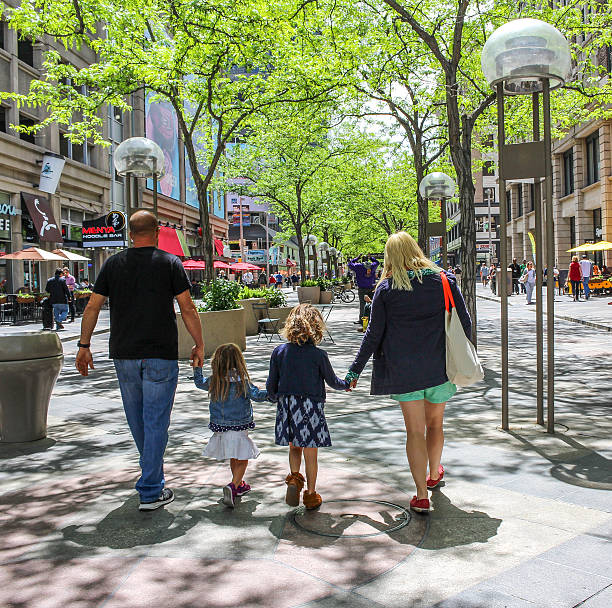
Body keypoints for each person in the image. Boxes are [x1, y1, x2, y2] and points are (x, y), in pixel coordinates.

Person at [75, 210, 204, 511]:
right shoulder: (170, 263)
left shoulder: (113, 264)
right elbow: (187, 308)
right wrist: (199, 344)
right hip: (160, 353)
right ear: (157, 231)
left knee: (139, 422)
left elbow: (92, 307)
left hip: (124, 354)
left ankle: (152, 481)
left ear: (130, 234)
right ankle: (149, 489)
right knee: (156, 422)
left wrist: (84, 345)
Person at [345, 232, 471, 513]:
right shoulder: (444, 281)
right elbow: (465, 324)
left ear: (390, 257)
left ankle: (421, 495)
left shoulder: (387, 289)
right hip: (440, 368)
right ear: (416, 250)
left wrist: (355, 371)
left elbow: (373, 334)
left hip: (403, 371)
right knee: (435, 425)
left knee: (415, 431)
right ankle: (434, 474)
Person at [267, 304, 350, 510]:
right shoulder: (319, 355)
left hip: (287, 405)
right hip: (311, 406)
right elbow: (332, 381)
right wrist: (347, 384)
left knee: (294, 446)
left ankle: (294, 478)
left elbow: (271, 385)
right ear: (316, 327)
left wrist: (272, 397)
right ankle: (311, 495)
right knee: (310, 453)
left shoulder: (279, 352)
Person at [193, 343, 268, 508]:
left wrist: (197, 365)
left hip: (220, 427)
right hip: (240, 427)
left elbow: (198, 382)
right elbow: (258, 396)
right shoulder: (243, 382)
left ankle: (239, 484)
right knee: (242, 459)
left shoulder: (214, 381)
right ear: (239, 362)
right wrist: (274, 391)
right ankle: (233, 486)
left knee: (234, 456)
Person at [348, 255, 379, 325]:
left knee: (362, 304)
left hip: (362, 288)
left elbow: (349, 264)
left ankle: (362, 320)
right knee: (372, 303)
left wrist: (356, 258)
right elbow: (377, 262)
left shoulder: (358, 266)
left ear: (361, 260)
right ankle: (372, 318)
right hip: (371, 288)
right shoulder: (372, 266)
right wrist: (371, 258)